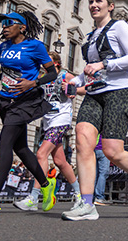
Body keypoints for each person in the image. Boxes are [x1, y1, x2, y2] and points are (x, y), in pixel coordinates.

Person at [61, 0, 128, 221]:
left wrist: (104, 65)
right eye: (91, 1)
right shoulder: (91, 36)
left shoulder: (119, 27)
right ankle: (86, 203)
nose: (94, 5)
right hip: (94, 93)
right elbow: (88, 70)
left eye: (99, 1)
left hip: (119, 92)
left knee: (112, 151)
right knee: (83, 139)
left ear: (110, 6)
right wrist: (73, 82)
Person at [0, 11, 58, 217]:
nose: (4, 27)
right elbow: (6, 72)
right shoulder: (4, 46)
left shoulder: (36, 46)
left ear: (22, 27)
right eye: (2, 24)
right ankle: (46, 184)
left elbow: (53, 73)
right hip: (6, 100)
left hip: (25, 102)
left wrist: (34, 82)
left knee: (4, 143)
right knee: (22, 148)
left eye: (9, 23)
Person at [14, 51, 84, 211]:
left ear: (56, 64)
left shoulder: (65, 76)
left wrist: (72, 90)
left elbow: (84, 89)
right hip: (47, 122)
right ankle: (80, 195)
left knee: (41, 154)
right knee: (60, 162)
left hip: (61, 120)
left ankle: (33, 196)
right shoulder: (43, 78)